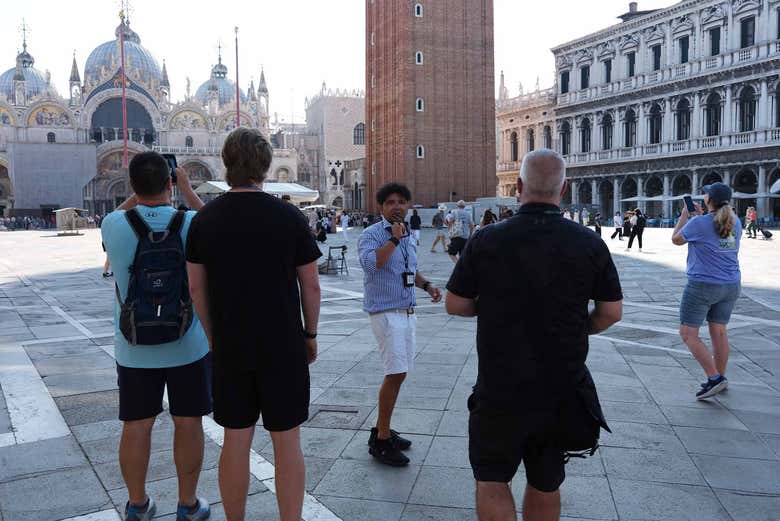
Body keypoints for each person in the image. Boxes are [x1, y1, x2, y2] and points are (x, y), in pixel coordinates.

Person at [445, 150, 622, 521]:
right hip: (560, 388)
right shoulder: (589, 243)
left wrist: (491, 309)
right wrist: (579, 324)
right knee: (546, 483)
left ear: (520, 186)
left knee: (492, 481)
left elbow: (455, 304)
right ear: (564, 189)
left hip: (499, 388)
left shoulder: (486, 239)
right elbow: (610, 313)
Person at [185, 128, 322, 521]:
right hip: (283, 345)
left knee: (236, 440)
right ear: (264, 166)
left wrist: (214, 337)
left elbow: (197, 290)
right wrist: (309, 334)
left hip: (231, 345)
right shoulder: (290, 216)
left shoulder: (204, 220)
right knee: (287, 441)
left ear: (227, 164)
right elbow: (310, 285)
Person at [101, 153, 212, 521]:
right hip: (188, 343)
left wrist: (138, 194)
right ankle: (188, 504)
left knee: (136, 424)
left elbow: (124, 209)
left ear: (132, 186)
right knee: (189, 421)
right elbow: (215, 221)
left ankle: (137, 505)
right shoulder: (193, 222)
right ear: (170, 183)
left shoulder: (113, 224)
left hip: (133, 347)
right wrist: (185, 188)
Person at [358, 183, 442, 467]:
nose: (397, 206)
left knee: (401, 372)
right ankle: (381, 440)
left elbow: (409, 269)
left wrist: (427, 285)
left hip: (406, 310)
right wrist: (392, 240)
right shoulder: (372, 234)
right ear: (381, 206)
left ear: (408, 205)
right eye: (391, 202)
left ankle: (383, 427)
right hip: (385, 312)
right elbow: (371, 266)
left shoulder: (406, 234)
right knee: (394, 373)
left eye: (402, 201)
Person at [672, 182, 742, 400]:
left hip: (703, 285)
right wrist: (697, 220)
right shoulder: (736, 221)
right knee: (719, 331)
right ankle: (720, 377)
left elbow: (676, 239)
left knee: (688, 334)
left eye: (705, 194)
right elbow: (714, 235)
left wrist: (685, 215)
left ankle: (714, 378)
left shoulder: (699, 223)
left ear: (709, 200)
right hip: (731, 285)